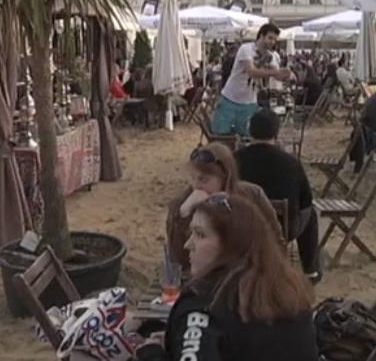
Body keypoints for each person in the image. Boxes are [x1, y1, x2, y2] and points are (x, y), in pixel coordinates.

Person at [136, 194, 319, 361]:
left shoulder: (204, 304)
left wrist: (151, 354)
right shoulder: (290, 291)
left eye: (200, 234)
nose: (188, 244)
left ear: (231, 245)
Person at [166, 143, 281, 274]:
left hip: (247, 275)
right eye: (193, 178)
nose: (196, 186)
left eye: (204, 180)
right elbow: (177, 259)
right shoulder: (183, 204)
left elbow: (275, 237)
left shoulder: (252, 195)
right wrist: (183, 216)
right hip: (201, 279)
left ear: (225, 177)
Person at [235, 110, 320, 281]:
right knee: (310, 214)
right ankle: (310, 269)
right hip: (281, 230)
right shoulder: (290, 162)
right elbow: (306, 200)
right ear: (276, 132)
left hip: (240, 227)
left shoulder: (234, 160)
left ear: (250, 131)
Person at [212, 24, 291, 137]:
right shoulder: (246, 49)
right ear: (261, 36)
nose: (272, 42)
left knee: (247, 137)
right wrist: (275, 72)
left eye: (274, 39)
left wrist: (286, 75)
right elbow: (252, 71)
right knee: (221, 136)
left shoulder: (271, 56)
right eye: (270, 38)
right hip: (230, 98)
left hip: (250, 102)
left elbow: (277, 75)